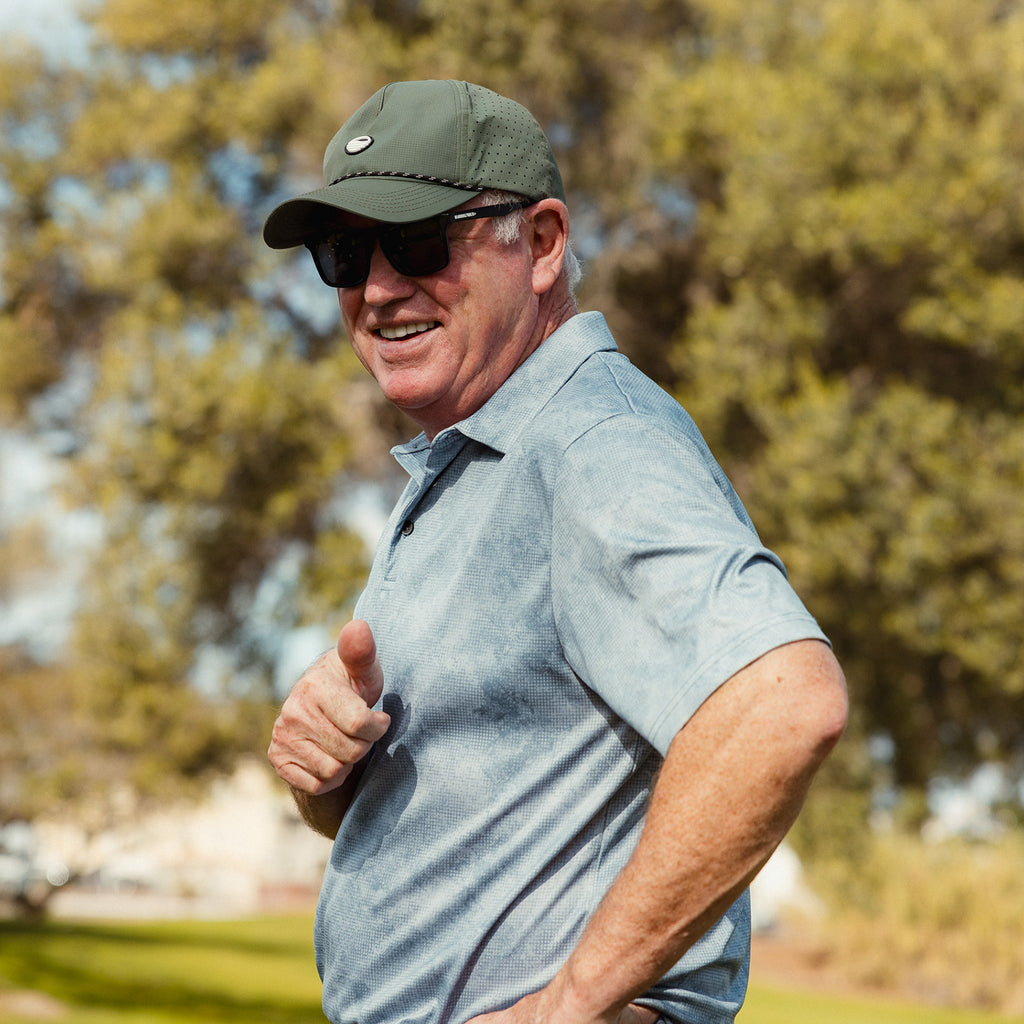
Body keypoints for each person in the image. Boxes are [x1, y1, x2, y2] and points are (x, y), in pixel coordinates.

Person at [264, 79, 847, 1024]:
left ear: (540, 244)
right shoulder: (476, 455)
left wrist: (570, 1004)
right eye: (346, 254)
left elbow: (784, 703)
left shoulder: (591, 442)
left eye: (417, 242)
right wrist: (327, 769)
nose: (377, 287)